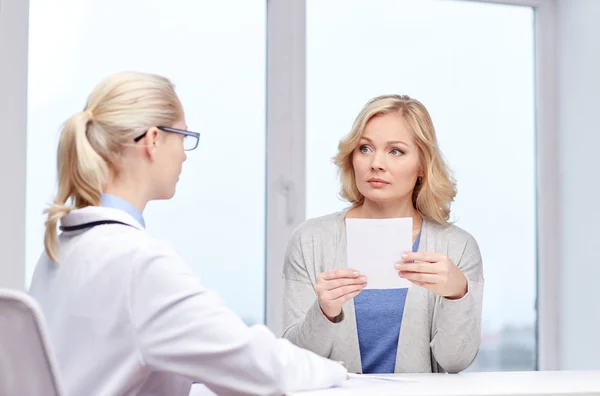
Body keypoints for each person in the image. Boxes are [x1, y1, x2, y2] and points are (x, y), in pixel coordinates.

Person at [28, 71, 346, 396]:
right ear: (153, 140)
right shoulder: (138, 263)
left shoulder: (58, 251)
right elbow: (261, 369)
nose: (183, 154)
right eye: (182, 136)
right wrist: (336, 370)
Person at [281, 94, 484, 375]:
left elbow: (455, 362)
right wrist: (324, 312)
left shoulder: (457, 247)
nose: (376, 163)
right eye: (365, 148)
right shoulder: (311, 240)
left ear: (423, 165)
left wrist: (457, 295)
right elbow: (293, 359)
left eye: (395, 151)